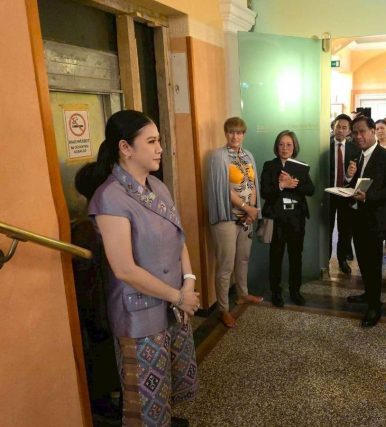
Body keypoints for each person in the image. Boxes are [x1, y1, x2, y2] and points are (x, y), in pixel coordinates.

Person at [86, 110, 199, 427]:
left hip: (173, 303)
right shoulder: (110, 198)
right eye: (151, 142)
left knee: (168, 386)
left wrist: (189, 282)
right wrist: (179, 296)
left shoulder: (158, 187)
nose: (160, 148)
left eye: (158, 140)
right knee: (145, 401)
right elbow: (124, 269)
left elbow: (179, 238)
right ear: (125, 147)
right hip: (139, 312)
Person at [207, 117, 264, 328]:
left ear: (243, 134)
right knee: (226, 265)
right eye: (231, 132)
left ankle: (243, 294)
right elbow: (222, 188)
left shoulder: (248, 155)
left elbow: (253, 183)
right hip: (227, 217)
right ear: (225, 133)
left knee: (243, 258)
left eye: (239, 132)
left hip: (247, 216)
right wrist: (247, 208)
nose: (235, 136)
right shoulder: (218, 156)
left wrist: (252, 210)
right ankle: (223, 309)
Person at [345, 115, 386, 327]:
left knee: (373, 264)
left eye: (362, 132)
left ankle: (375, 306)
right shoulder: (357, 156)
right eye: (355, 133)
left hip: (375, 220)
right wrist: (348, 179)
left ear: (373, 131)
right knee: (363, 261)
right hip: (357, 217)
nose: (358, 136)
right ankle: (368, 293)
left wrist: (368, 197)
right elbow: (356, 184)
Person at [261, 130, 315, 307]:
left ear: (294, 147)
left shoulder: (301, 166)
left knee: (296, 256)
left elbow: (311, 190)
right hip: (277, 219)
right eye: (281, 144)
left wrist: (294, 184)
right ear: (277, 147)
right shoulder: (270, 166)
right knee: (276, 256)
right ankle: (276, 292)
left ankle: (295, 291)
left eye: (289, 145)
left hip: (296, 219)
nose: (285, 148)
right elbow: (265, 192)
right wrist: (281, 185)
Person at [328, 113, 358, 274]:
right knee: (327, 228)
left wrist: (349, 176)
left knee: (345, 230)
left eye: (344, 127)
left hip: (346, 195)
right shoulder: (324, 146)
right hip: (328, 194)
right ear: (333, 127)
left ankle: (342, 260)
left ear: (349, 131)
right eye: (338, 126)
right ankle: (325, 259)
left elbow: (355, 176)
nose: (340, 130)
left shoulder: (355, 149)